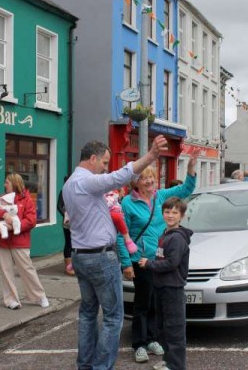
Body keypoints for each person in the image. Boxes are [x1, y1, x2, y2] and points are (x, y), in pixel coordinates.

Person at [62, 135, 168, 370]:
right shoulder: (86, 181)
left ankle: (86, 365)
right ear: (92, 158)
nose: (105, 168)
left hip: (81, 255)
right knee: (113, 317)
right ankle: (101, 367)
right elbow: (120, 176)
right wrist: (150, 156)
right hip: (100, 257)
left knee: (89, 313)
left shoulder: (69, 184)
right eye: (103, 162)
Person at [118, 150, 197, 364]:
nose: (150, 181)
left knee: (156, 303)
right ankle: (139, 344)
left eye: (152, 177)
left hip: (160, 262)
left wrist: (190, 170)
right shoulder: (127, 203)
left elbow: (186, 189)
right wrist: (126, 262)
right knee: (142, 304)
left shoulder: (160, 197)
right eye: (144, 177)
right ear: (136, 182)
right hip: (141, 261)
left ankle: (152, 339)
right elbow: (121, 234)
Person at [139, 197, 192, 370]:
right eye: (167, 212)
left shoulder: (176, 238)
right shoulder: (165, 234)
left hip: (172, 288)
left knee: (174, 329)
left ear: (182, 216)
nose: (170, 215)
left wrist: (149, 264)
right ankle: (169, 362)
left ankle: (176, 366)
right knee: (163, 327)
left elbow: (171, 263)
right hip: (161, 287)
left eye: (175, 212)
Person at [0, 173, 49, 310]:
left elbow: (31, 220)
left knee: (27, 269)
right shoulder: (1, 198)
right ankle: (11, 300)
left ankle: (39, 296)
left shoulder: (26, 199)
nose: (5, 185)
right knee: (6, 271)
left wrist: (16, 226)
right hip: (2, 241)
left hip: (20, 241)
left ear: (14, 183)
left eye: (7, 182)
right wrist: (4, 214)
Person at [57, 176, 75, 276]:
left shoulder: (77, 191)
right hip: (68, 222)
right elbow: (59, 206)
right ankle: (68, 267)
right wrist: (65, 215)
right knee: (69, 242)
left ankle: (75, 265)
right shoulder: (63, 192)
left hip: (78, 221)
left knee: (76, 243)